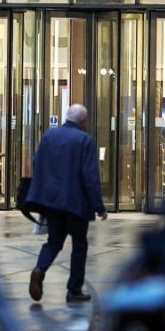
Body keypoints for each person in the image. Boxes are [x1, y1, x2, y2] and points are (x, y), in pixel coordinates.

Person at [26, 104, 108, 304]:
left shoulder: (49, 136)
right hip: (76, 203)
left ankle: (39, 269)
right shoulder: (84, 140)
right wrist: (99, 206)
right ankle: (74, 290)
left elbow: (37, 162)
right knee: (79, 245)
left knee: (54, 241)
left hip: (53, 202)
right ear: (83, 121)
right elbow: (89, 176)